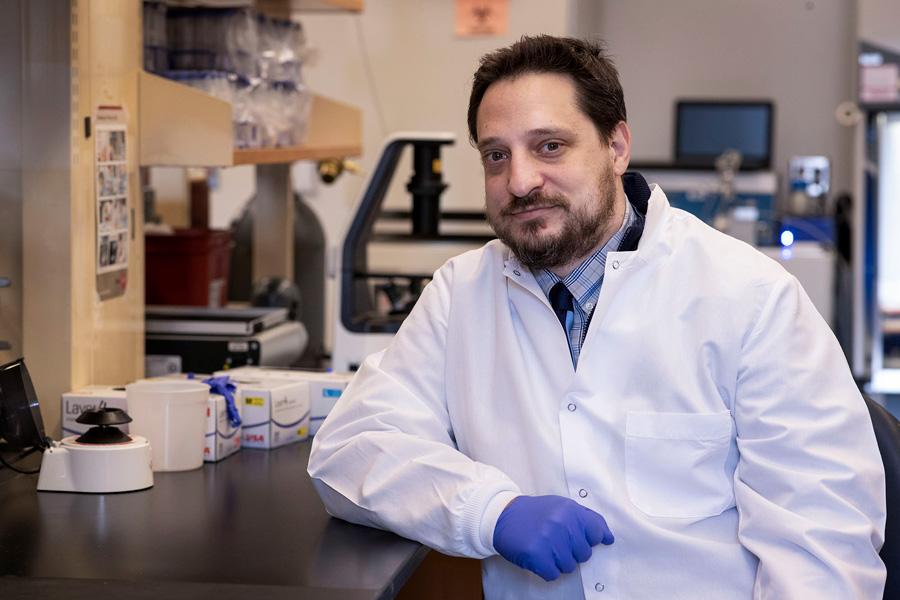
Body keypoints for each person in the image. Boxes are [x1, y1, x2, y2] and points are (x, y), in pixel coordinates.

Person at [308, 35, 886, 599]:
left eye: (550, 146)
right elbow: (352, 449)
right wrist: (491, 511)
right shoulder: (461, 295)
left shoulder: (749, 297)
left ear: (617, 146)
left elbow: (822, 548)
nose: (520, 180)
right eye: (496, 155)